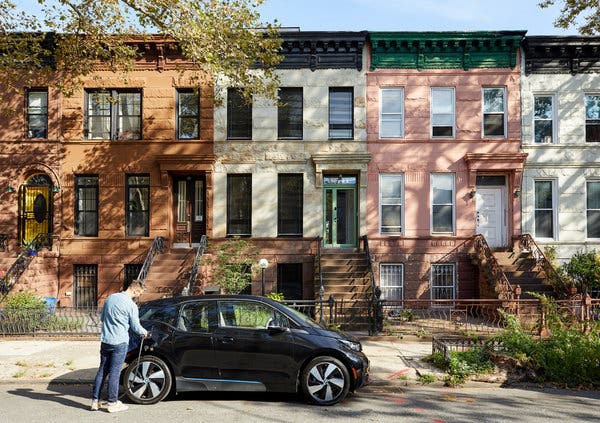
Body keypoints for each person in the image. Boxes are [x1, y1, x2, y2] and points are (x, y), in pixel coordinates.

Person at [91, 280, 149, 413]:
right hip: (120, 342)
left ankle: (95, 401)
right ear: (135, 290)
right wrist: (145, 333)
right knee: (115, 373)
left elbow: (103, 318)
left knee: (102, 371)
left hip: (106, 341)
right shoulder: (131, 305)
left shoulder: (110, 298)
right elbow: (135, 326)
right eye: (139, 293)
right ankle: (112, 403)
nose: (138, 296)